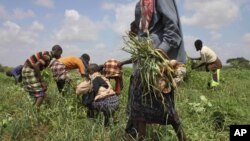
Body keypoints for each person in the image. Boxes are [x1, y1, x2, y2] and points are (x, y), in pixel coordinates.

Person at [125, 0, 187, 141]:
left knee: (166, 106)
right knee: (139, 105)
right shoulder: (140, 4)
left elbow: (173, 30)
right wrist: (135, 28)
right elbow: (143, 27)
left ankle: (183, 138)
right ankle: (137, 137)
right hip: (143, 62)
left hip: (158, 62)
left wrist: (159, 52)